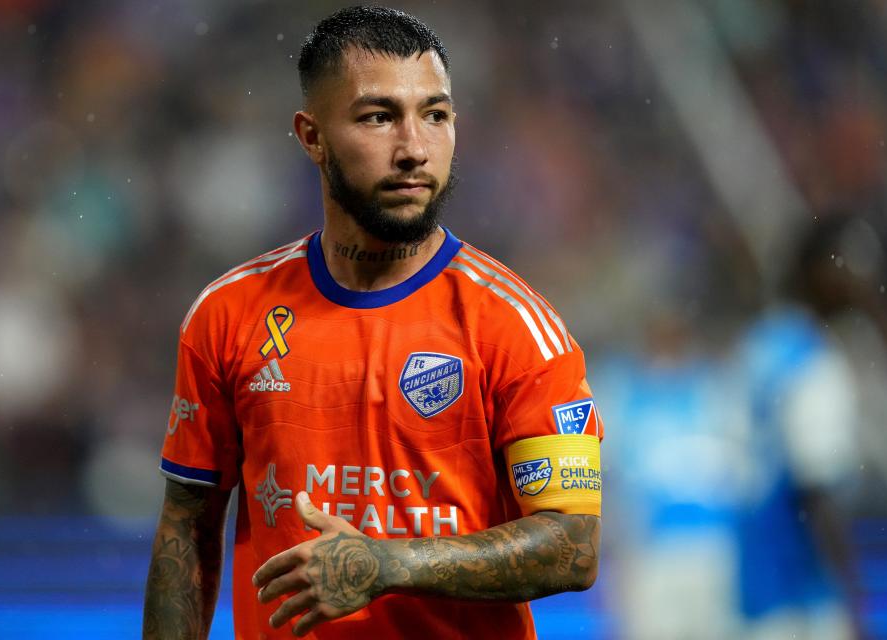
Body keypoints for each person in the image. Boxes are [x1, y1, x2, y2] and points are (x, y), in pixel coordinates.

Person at [142, 6, 603, 639]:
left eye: (435, 115)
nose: (414, 148)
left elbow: (572, 546)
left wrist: (389, 563)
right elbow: (187, 527)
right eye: (378, 116)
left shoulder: (517, 327)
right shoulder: (228, 315)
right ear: (312, 136)